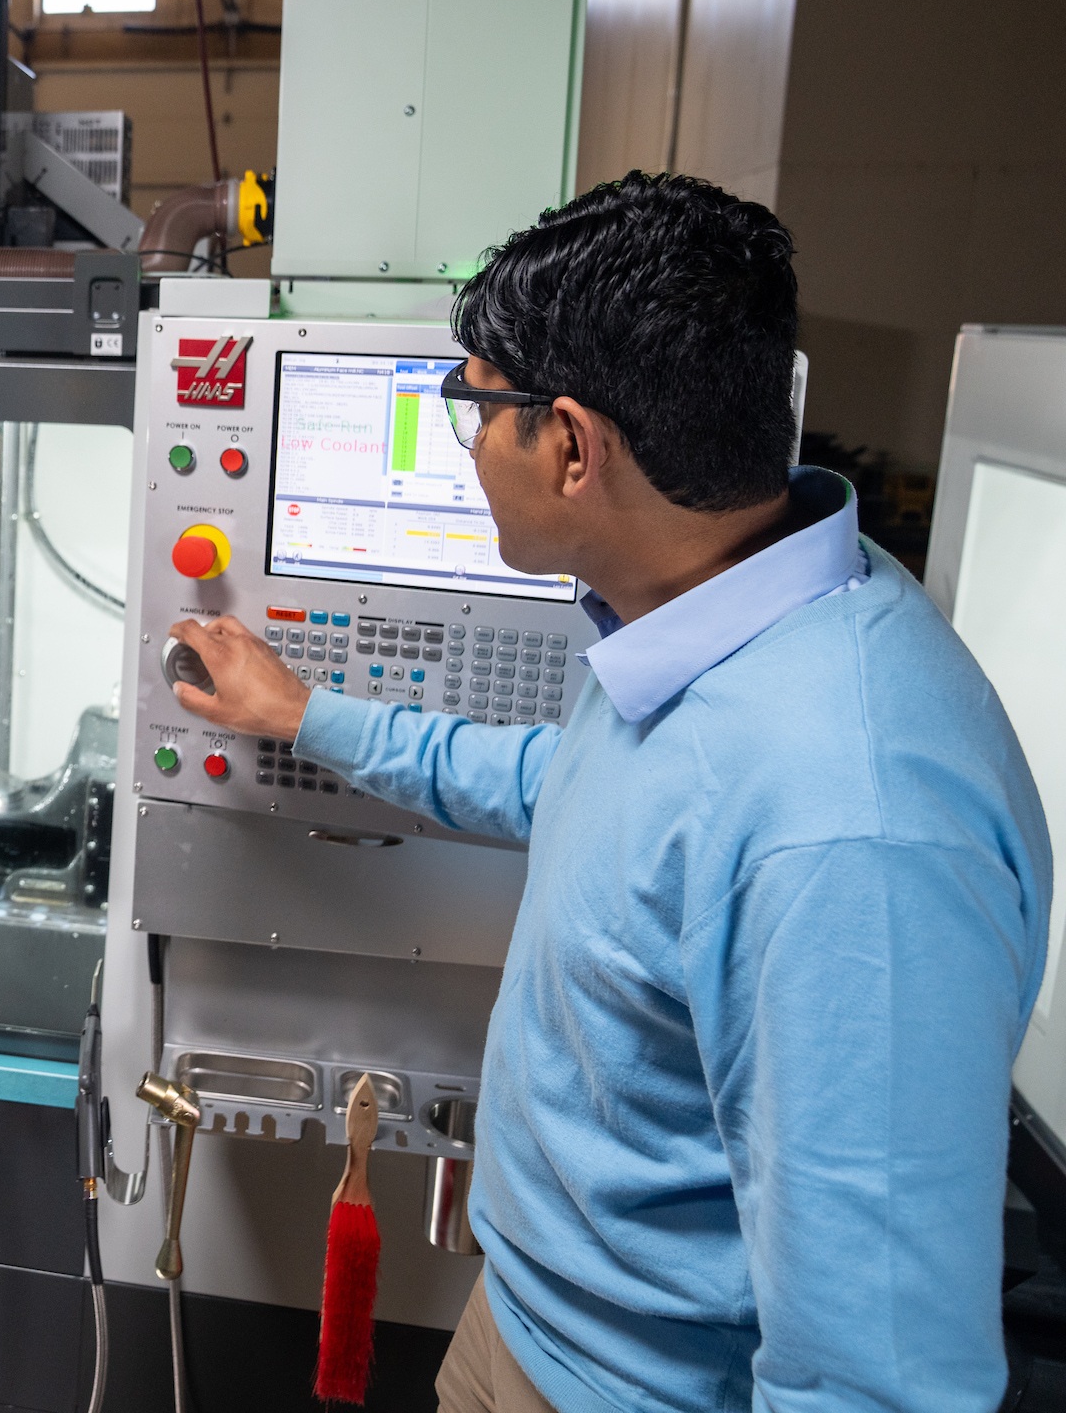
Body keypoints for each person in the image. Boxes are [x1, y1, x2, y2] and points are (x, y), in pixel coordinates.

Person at [170, 174, 1051, 1413]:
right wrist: (310, 717)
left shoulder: (855, 828)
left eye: (470, 405)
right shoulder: (723, 610)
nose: (465, 440)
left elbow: (882, 1376)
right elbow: (574, 788)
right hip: (528, 1322)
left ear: (574, 446)